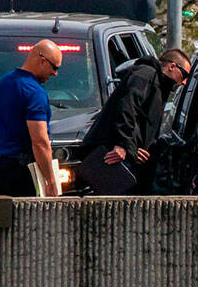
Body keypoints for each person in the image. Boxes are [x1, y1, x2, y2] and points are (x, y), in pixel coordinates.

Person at [79, 48, 191, 194]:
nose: (184, 82)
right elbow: (127, 109)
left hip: (130, 156)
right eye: (184, 75)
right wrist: (123, 145)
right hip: (113, 153)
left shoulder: (159, 85)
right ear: (172, 66)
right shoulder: (145, 74)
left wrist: (135, 148)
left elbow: (141, 121)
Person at [0, 39, 63, 197]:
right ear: (42, 61)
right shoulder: (34, 92)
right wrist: (51, 181)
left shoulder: (1, 83)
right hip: (25, 170)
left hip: (0, 167)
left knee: (4, 219)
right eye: (54, 67)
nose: (55, 73)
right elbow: (40, 142)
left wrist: (0, 147)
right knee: (29, 219)